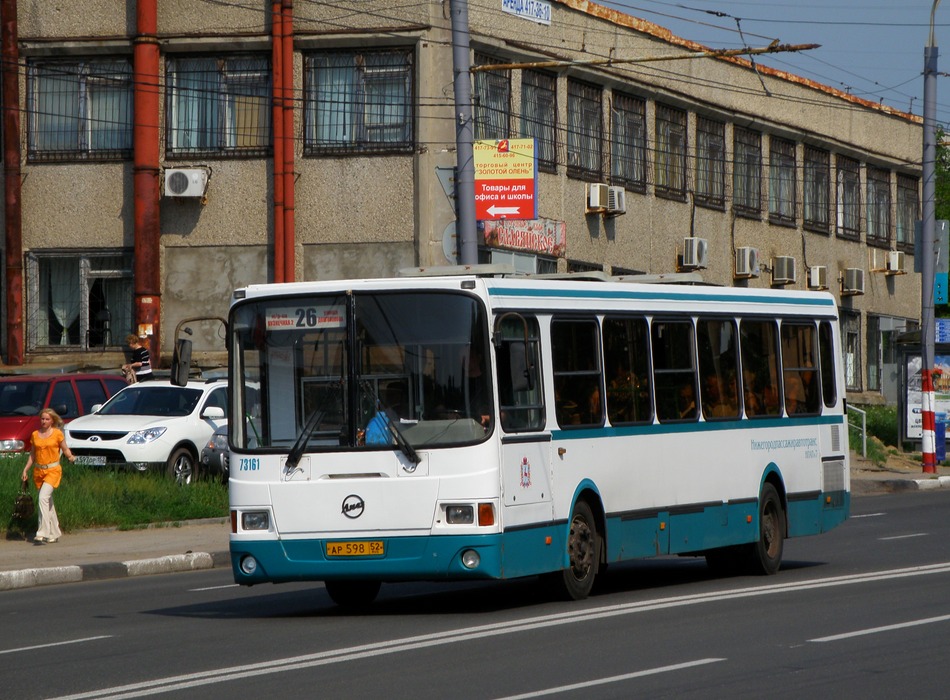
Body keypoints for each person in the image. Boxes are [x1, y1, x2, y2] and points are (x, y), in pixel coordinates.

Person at [20, 408, 75, 544]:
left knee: (43, 498)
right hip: (39, 471)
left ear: (52, 420)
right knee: (48, 502)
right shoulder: (35, 434)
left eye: (47, 419)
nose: (44, 421)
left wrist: (70, 456)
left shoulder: (57, 434)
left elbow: (64, 448)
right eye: (42, 419)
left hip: (53, 470)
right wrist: (25, 470)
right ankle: (54, 533)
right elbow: (33, 454)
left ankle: (42, 532)